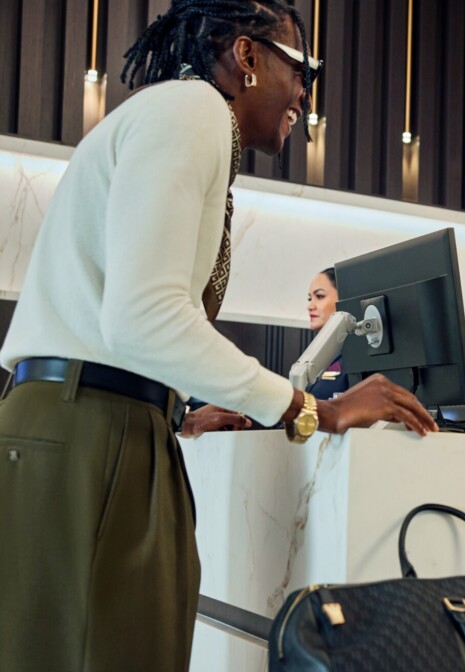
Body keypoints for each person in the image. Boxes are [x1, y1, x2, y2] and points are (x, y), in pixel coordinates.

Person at [0, 2, 436, 670]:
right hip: (94, 437)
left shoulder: (170, 117)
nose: (305, 94)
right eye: (302, 69)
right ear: (247, 57)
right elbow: (145, 316)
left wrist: (180, 405)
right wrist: (313, 409)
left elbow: (119, 319)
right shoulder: (193, 111)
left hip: (88, 424)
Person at [306, 266, 350, 399]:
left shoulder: (354, 353)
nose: (310, 306)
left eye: (319, 296)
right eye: (310, 298)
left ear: (343, 299)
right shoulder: (316, 349)